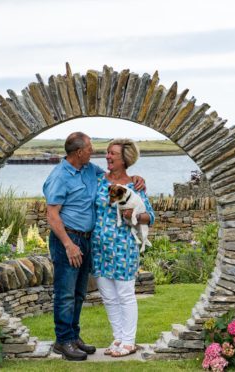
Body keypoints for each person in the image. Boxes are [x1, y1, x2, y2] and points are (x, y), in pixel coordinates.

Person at [43, 132, 145, 361]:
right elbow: (52, 215)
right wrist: (68, 245)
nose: (96, 152)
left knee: (79, 293)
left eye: (110, 152)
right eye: (90, 148)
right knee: (65, 293)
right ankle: (63, 341)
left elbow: (116, 179)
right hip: (68, 240)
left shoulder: (90, 171)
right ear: (79, 152)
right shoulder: (59, 176)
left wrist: (137, 178)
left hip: (88, 240)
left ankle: (73, 336)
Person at [91, 138, 155, 357]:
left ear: (125, 159)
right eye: (107, 153)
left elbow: (150, 216)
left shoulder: (134, 185)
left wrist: (134, 214)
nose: (108, 156)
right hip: (98, 248)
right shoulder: (98, 180)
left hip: (123, 247)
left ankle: (129, 341)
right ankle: (118, 338)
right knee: (108, 296)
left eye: (113, 154)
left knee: (125, 295)